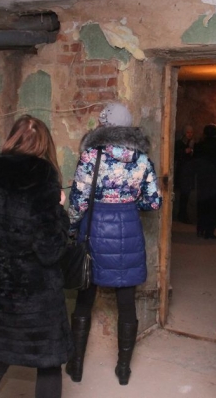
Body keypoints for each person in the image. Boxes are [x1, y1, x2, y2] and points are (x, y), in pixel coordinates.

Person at [0, 115, 72, 398]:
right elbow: (50, 250)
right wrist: (60, 210)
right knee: (48, 364)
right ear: (44, 144)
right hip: (36, 292)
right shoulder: (43, 179)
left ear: (13, 138)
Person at [66, 102, 162, 386]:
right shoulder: (142, 159)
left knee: (85, 299)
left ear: (105, 125)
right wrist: (129, 204)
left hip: (94, 231)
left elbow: (79, 202)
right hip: (128, 231)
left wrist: (70, 229)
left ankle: (76, 365)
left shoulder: (91, 156)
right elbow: (153, 202)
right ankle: (123, 369)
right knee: (126, 302)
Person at [173, 125, 195, 223]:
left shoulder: (193, 143)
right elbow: (175, 156)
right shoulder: (179, 144)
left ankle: (183, 215)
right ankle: (181, 215)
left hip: (190, 172)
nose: (189, 134)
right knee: (183, 194)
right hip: (182, 172)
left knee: (186, 195)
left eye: (191, 132)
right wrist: (184, 152)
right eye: (187, 132)